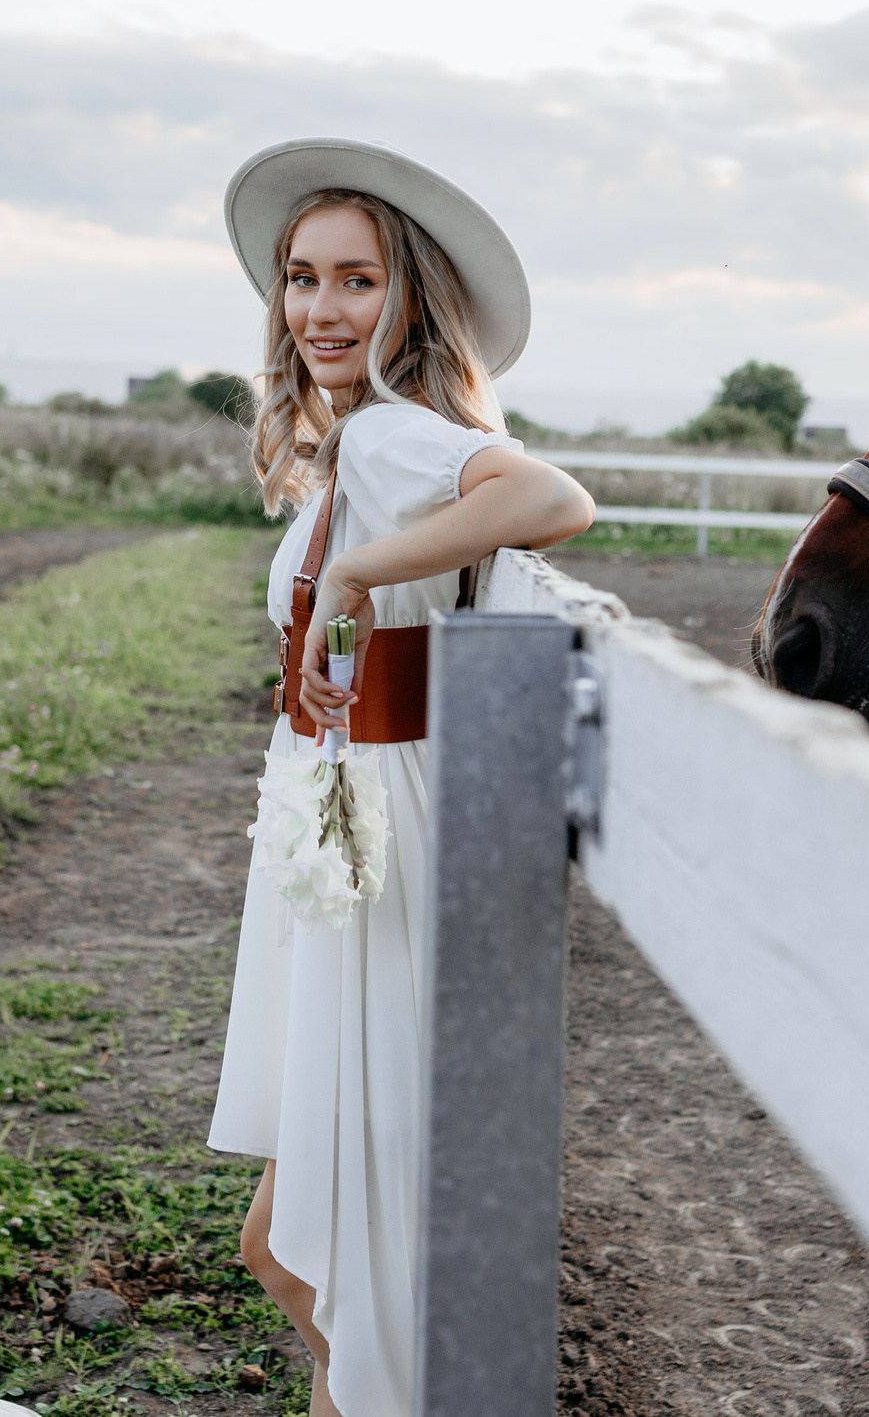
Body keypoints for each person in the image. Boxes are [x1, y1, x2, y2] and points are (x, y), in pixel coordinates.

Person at [207, 137, 595, 1417]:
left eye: (357, 281)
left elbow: (549, 496)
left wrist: (362, 576)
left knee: (308, 1247)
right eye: (300, 278)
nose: (321, 309)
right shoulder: (352, 445)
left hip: (380, 822)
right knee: (314, 1242)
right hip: (343, 821)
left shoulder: (389, 438)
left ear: (411, 296)